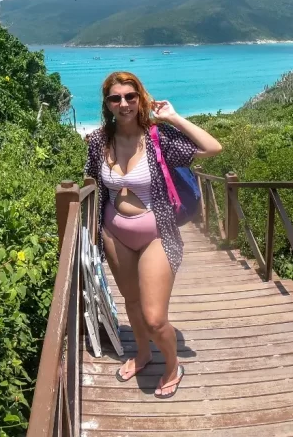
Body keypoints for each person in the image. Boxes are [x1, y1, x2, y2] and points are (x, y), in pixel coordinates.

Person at [83, 71, 222, 398]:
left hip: (156, 233)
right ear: (107, 104)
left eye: (130, 96)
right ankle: (143, 354)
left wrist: (174, 116)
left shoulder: (160, 137)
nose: (124, 103)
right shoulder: (98, 141)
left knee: (155, 317)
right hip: (114, 232)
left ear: (140, 98)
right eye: (116, 98)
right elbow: (93, 184)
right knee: (131, 301)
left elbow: (213, 148)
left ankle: (173, 365)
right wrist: (90, 230)